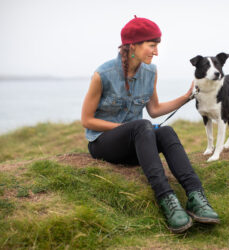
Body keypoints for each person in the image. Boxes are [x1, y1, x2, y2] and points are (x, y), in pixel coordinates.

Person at [81, 16, 219, 233]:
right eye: (152, 46)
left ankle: (196, 197)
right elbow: (87, 120)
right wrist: (126, 130)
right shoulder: (103, 75)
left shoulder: (150, 72)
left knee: (166, 132)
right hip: (103, 144)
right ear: (132, 45)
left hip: (137, 142)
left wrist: (187, 96)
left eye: (157, 46)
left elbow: (154, 110)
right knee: (142, 126)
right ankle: (167, 200)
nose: (156, 52)